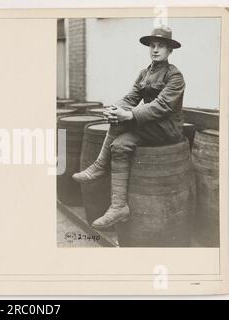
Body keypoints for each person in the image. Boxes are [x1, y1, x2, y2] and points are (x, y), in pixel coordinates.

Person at [72, 26, 185, 230]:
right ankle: (119, 207)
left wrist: (130, 114)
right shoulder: (144, 73)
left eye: (161, 46)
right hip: (149, 126)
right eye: (152, 46)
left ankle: (99, 166)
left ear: (170, 50)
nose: (155, 50)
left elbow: (162, 105)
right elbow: (131, 97)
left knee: (123, 120)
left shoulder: (175, 76)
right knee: (119, 145)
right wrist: (115, 109)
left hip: (167, 129)